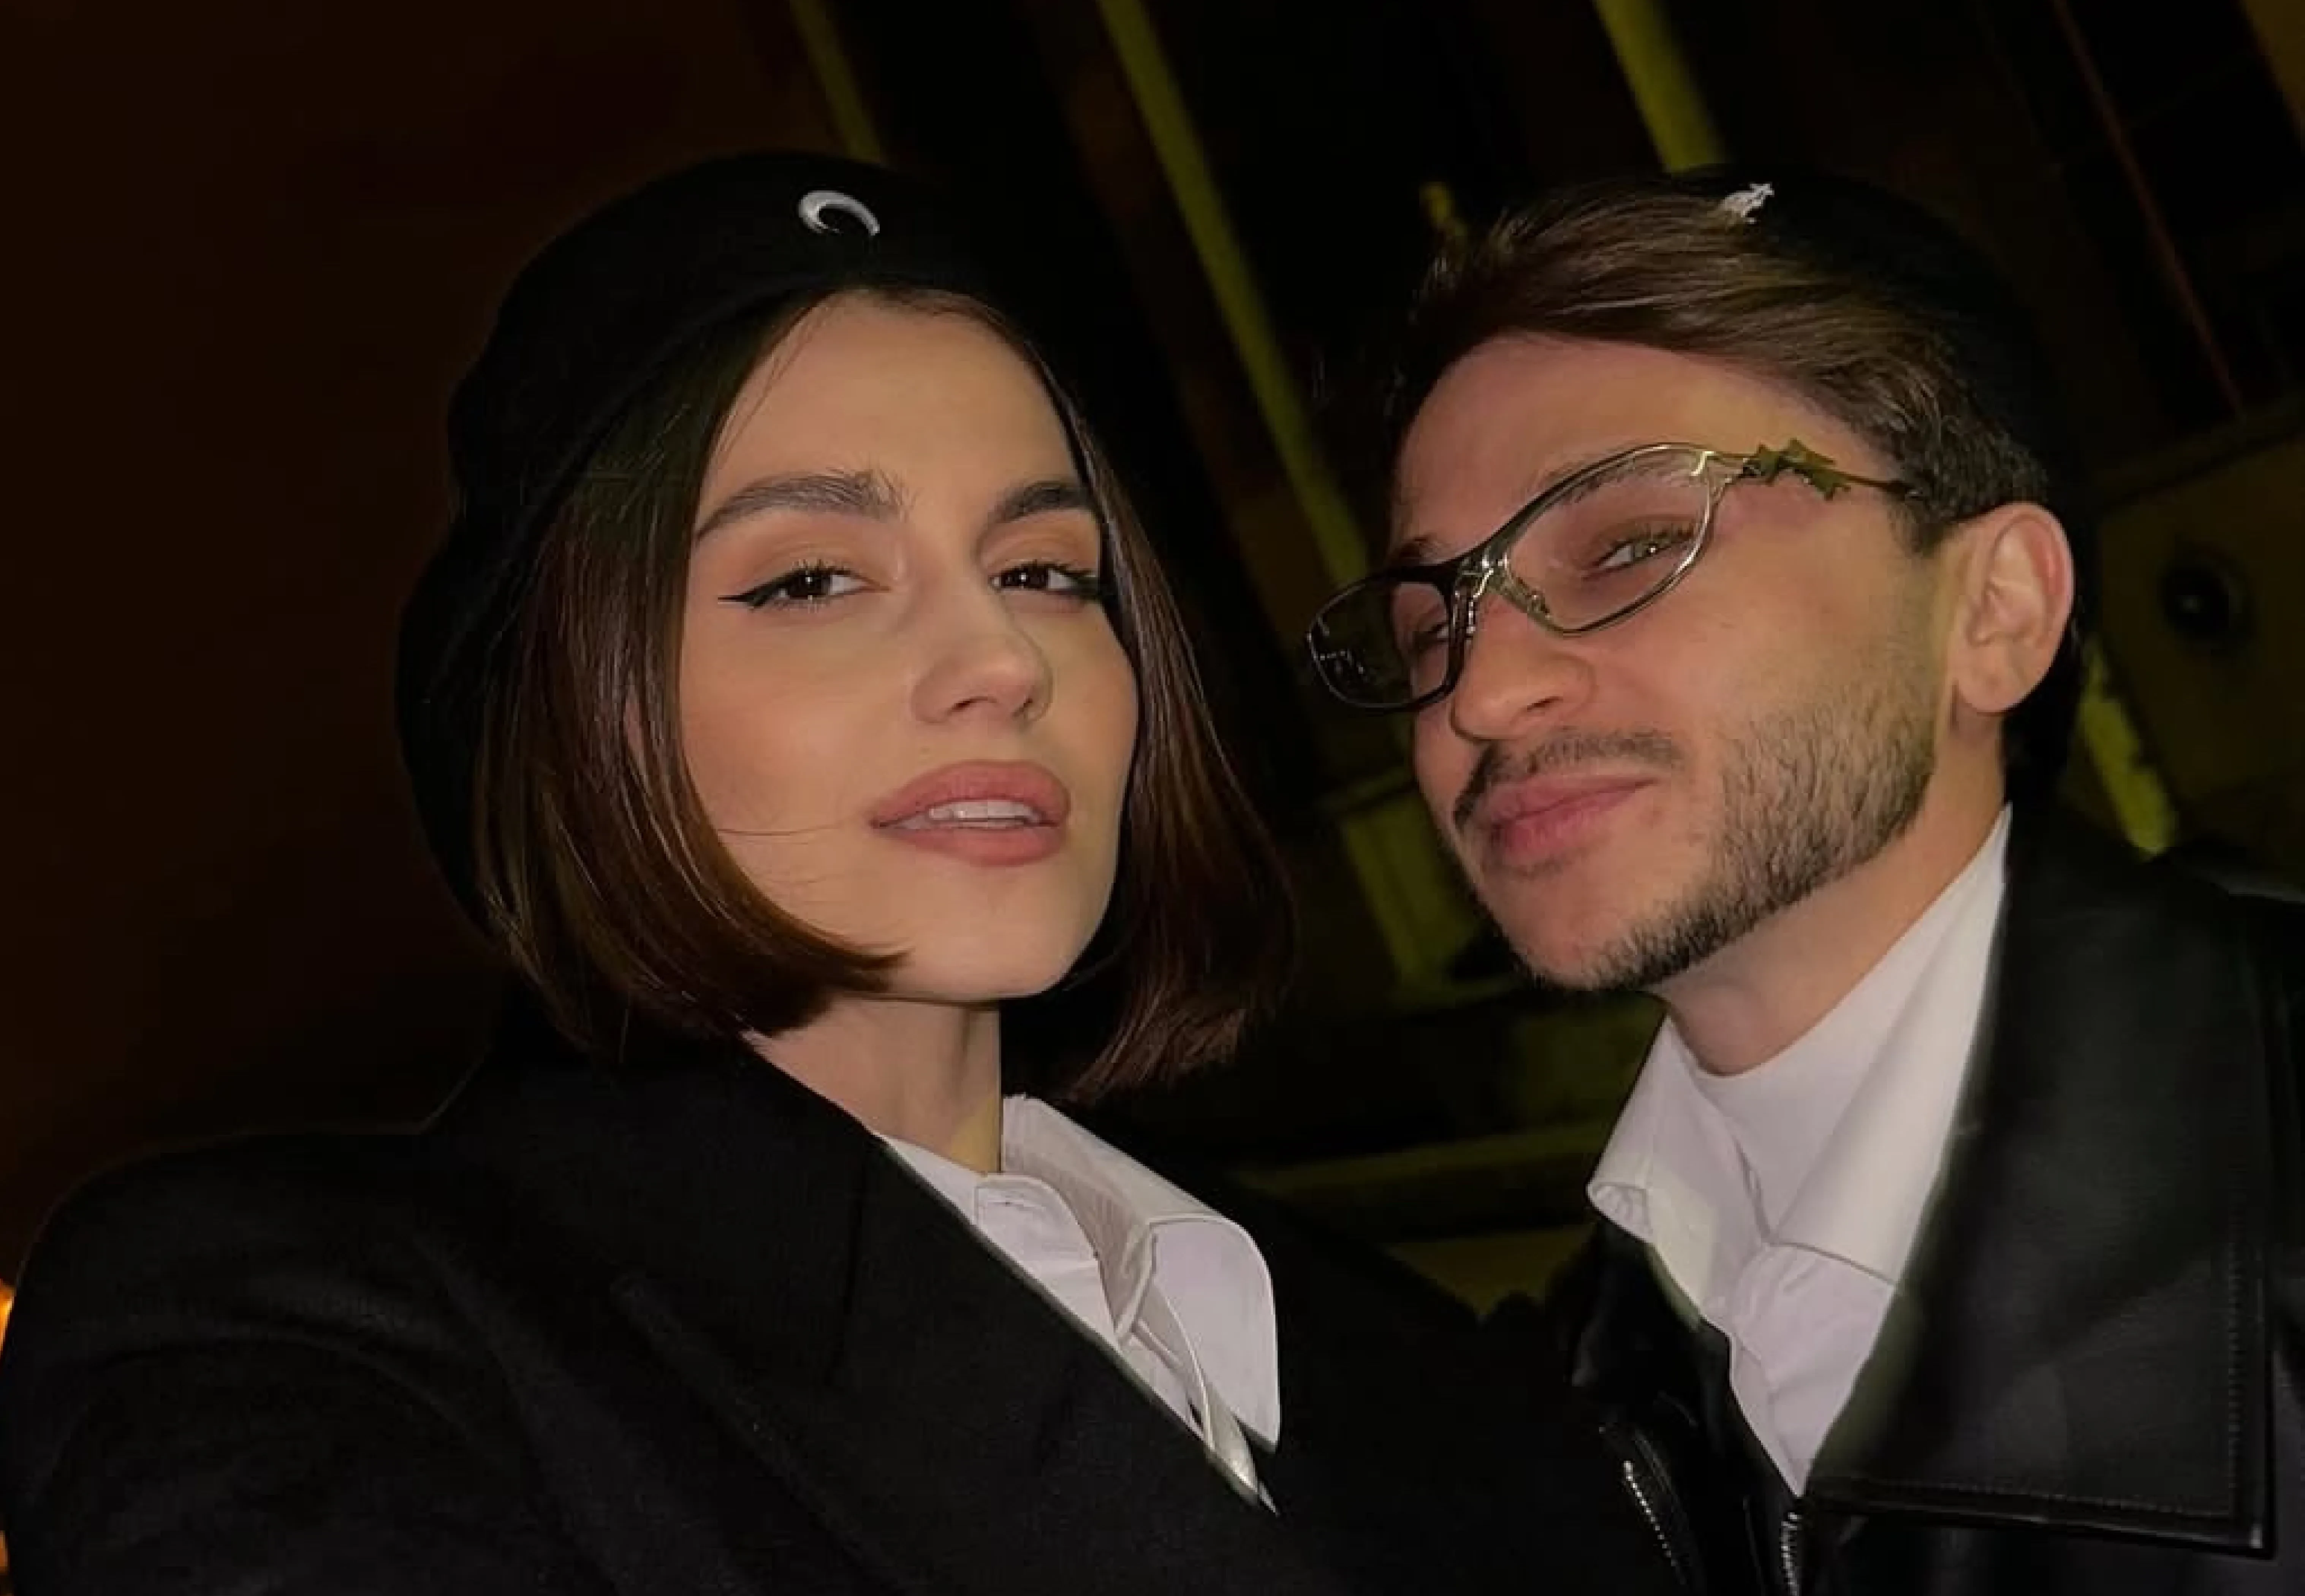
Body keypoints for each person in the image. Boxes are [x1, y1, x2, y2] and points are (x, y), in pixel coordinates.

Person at [0, 153, 1670, 1595]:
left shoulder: (1385, 1342)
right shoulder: (305, 1322)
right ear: (573, 708)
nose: (1001, 659)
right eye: (810, 579)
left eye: (1046, 569)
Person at [1306, 166, 2305, 1593]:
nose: (1484, 693)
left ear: (1995, 612)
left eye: (1631, 546)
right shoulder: (1561, 1399)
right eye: (1430, 627)